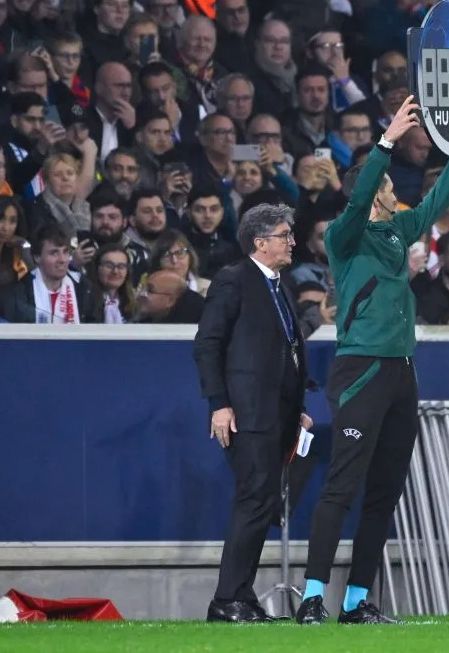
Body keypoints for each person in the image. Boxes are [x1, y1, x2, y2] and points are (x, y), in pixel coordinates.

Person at [297, 97, 449, 626]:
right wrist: (386, 143)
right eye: (387, 187)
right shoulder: (346, 235)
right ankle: (312, 597)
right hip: (360, 367)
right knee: (342, 485)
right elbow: (364, 188)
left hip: (400, 371)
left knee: (385, 490)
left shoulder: (397, 231)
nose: (394, 193)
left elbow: (438, 198)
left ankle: (355, 602)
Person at [193, 203, 314, 623]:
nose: (293, 241)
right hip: (246, 413)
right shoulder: (234, 280)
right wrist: (219, 404)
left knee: (262, 502)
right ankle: (226, 598)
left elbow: (286, 354)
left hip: (277, 415)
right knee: (253, 498)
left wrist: (297, 409)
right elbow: (207, 344)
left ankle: (240, 597)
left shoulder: (278, 285)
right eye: (285, 235)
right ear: (260, 242)